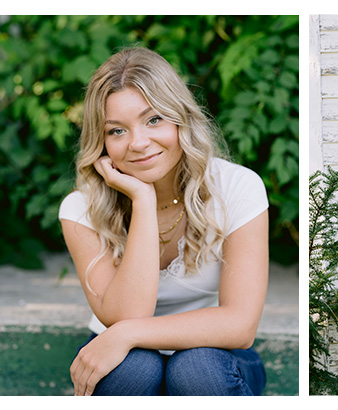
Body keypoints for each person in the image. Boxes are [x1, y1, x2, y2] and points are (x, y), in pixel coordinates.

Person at [59, 47, 269, 396]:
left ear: (180, 119)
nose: (139, 143)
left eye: (154, 119)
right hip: (124, 358)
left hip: (217, 357)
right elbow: (127, 312)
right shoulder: (81, 210)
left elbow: (240, 324)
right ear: (101, 141)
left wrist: (128, 333)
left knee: (195, 369)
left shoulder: (237, 186)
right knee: (133, 369)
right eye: (117, 131)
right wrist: (142, 199)